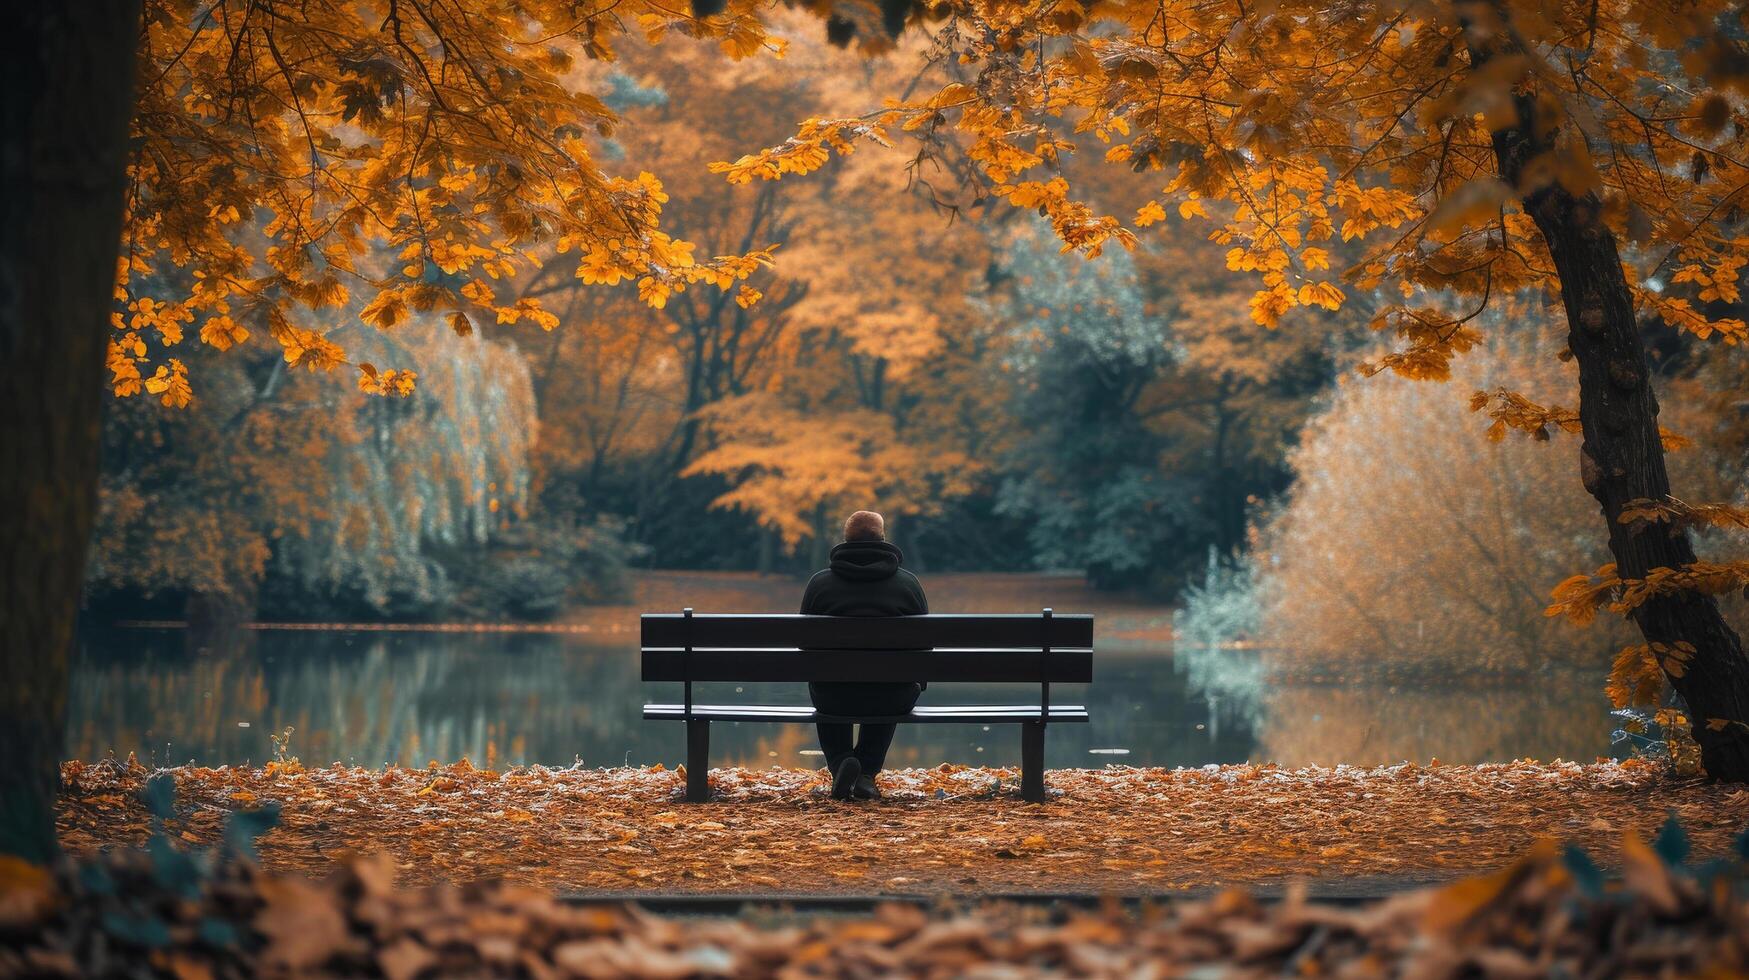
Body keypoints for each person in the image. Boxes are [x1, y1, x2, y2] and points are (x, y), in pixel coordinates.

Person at [801, 510, 928, 801]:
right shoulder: (907, 585)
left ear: (845, 540)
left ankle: (841, 762)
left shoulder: (820, 585)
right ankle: (867, 773)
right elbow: (924, 648)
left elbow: (804, 647)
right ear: (883, 539)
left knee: (829, 682)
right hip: (890, 697)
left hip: (832, 696)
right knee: (890, 684)